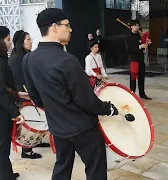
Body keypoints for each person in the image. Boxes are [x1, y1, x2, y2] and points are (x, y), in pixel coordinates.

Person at [21, 8, 118, 180]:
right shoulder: (67, 61)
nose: (71, 29)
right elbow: (87, 101)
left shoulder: (29, 59)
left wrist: (57, 110)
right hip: (83, 129)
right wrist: (108, 108)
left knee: (62, 167)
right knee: (96, 170)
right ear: (54, 27)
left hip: (57, 127)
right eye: (67, 25)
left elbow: (35, 97)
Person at [8, 30, 51, 160]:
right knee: (28, 121)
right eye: (28, 39)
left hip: (31, 93)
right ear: (21, 42)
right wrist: (24, 92)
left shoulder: (27, 55)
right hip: (22, 95)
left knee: (37, 118)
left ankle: (36, 141)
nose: (31, 41)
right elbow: (17, 79)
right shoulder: (16, 58)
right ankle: (27, 150)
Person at [0, 26, 26, 180]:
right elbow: (1, 92)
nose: (10, 43)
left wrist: (17, 93)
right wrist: (15, 113)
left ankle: (7, 172)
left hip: (4, 106)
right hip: (2, 110)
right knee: (3, 145)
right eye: (8, 39)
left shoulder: (3, 59)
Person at [127, 20, 151, 100]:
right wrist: (140, 46)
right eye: (135, 25)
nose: (137, 27)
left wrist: (147, 44)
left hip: (140, 59)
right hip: (133, 60)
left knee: (141, 77)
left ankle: (142, 94)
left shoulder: (139, 36)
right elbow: (129, 49)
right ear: (131, 26)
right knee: (133, 78)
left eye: (138, 26)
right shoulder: (128, 36)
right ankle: (132, 94)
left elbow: (144, 48)